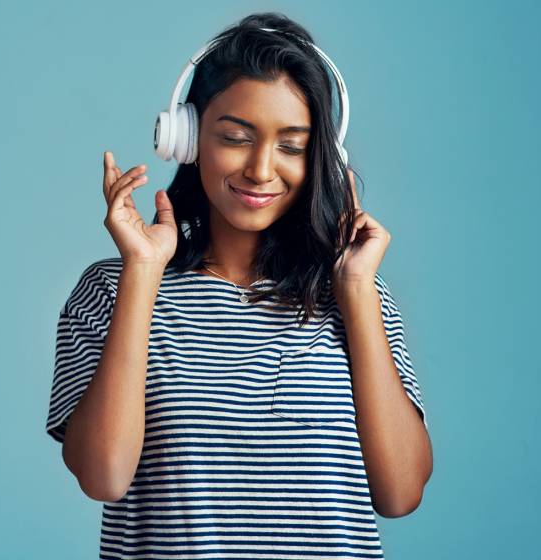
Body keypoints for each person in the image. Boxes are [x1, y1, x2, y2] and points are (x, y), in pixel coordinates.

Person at [46, 11, 433, 559]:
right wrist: (142, 274)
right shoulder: (113, 289)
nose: (261, 169)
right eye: (235, 137)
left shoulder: (359, 293)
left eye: (291, 146)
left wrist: (354, 288)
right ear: (186, 137)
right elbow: (103, 476)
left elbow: (400, 493)